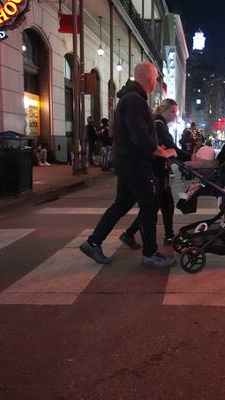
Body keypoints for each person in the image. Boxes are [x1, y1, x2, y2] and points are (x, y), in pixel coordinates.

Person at [79, 61, 177, 267]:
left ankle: (93, 242)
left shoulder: (130, 98)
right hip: (135, 163)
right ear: (150, 81)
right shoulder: (135, 101)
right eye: (154, 81)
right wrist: (161, 151)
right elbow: (140, 136)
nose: (154, 86)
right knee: (150, 205)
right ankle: (150, 253)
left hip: (126, 161)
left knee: (122, 203)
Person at [121, 98, 191, 247]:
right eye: (172, 111)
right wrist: (190, 158)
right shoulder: (159, 126)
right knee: (153, 207)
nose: (174, 115)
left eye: (175, 112)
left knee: (164, 204)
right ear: (163, 110)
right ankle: (132, 234)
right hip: (156, 171)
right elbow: (171, 147)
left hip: (159, 170)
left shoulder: (159, 124)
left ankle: (168, 235)